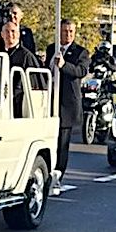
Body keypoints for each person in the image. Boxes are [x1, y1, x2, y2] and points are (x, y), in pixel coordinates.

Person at [43, 19, 88, 195]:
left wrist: (64, 65)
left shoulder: (81, 52)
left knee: (62, 144)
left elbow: (81, 71)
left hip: (67, 105)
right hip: (50, 101)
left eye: (70, 31)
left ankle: (57, 178)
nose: (67, 34)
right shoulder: (51, 49)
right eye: (64, 31)